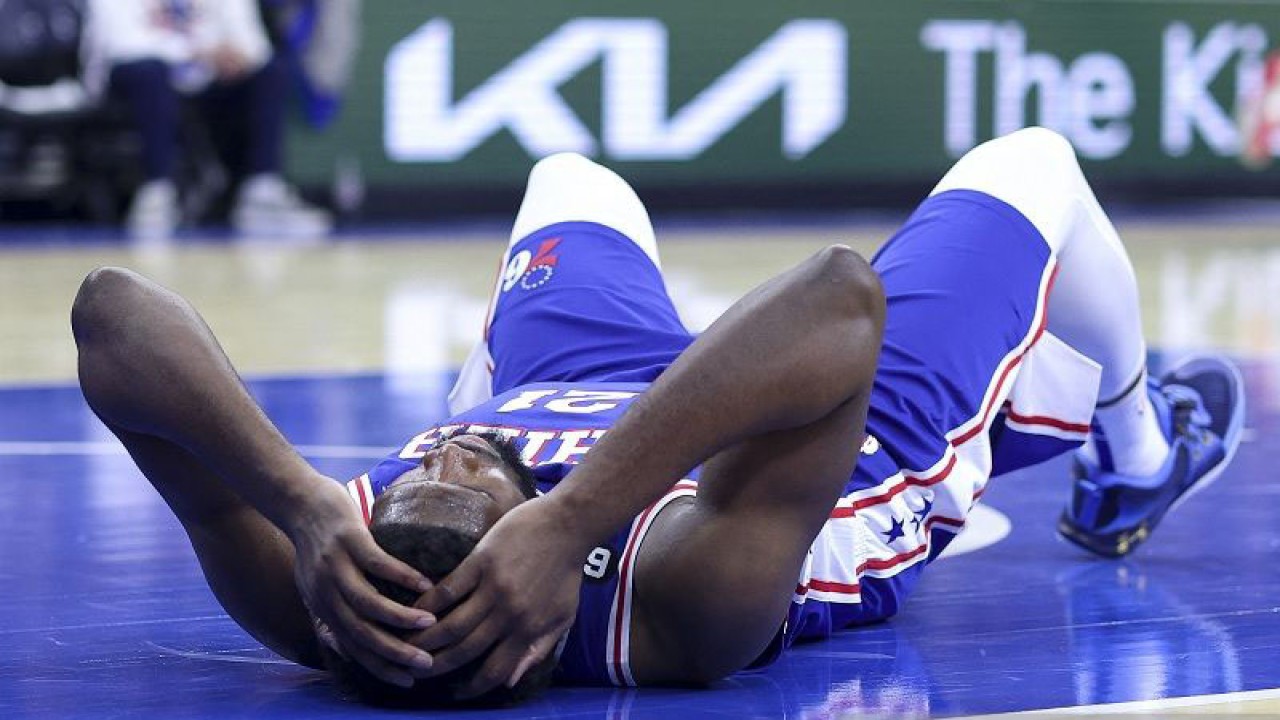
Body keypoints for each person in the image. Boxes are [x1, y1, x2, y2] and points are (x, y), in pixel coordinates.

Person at [71, 127, 1244, 707]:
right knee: (1030, 163)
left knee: (568, 179)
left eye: (428, 461)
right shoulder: (678, 602)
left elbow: (111, 313)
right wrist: (576, 505)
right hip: (834, 428)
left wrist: (300, 509)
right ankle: (1137, 454)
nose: (450, 446)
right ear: (538, 580)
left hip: (586, 387)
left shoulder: (330, 583)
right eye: (471, 476)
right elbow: (839, 301)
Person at [83, 0, 332, 239]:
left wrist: (238, 55)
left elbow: (252, 41)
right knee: (149, 72)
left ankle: (262, 192)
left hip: (206, 77)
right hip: (136, 79)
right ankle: (156, 194)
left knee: (271, 72)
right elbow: (123, 43)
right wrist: (196, 52)